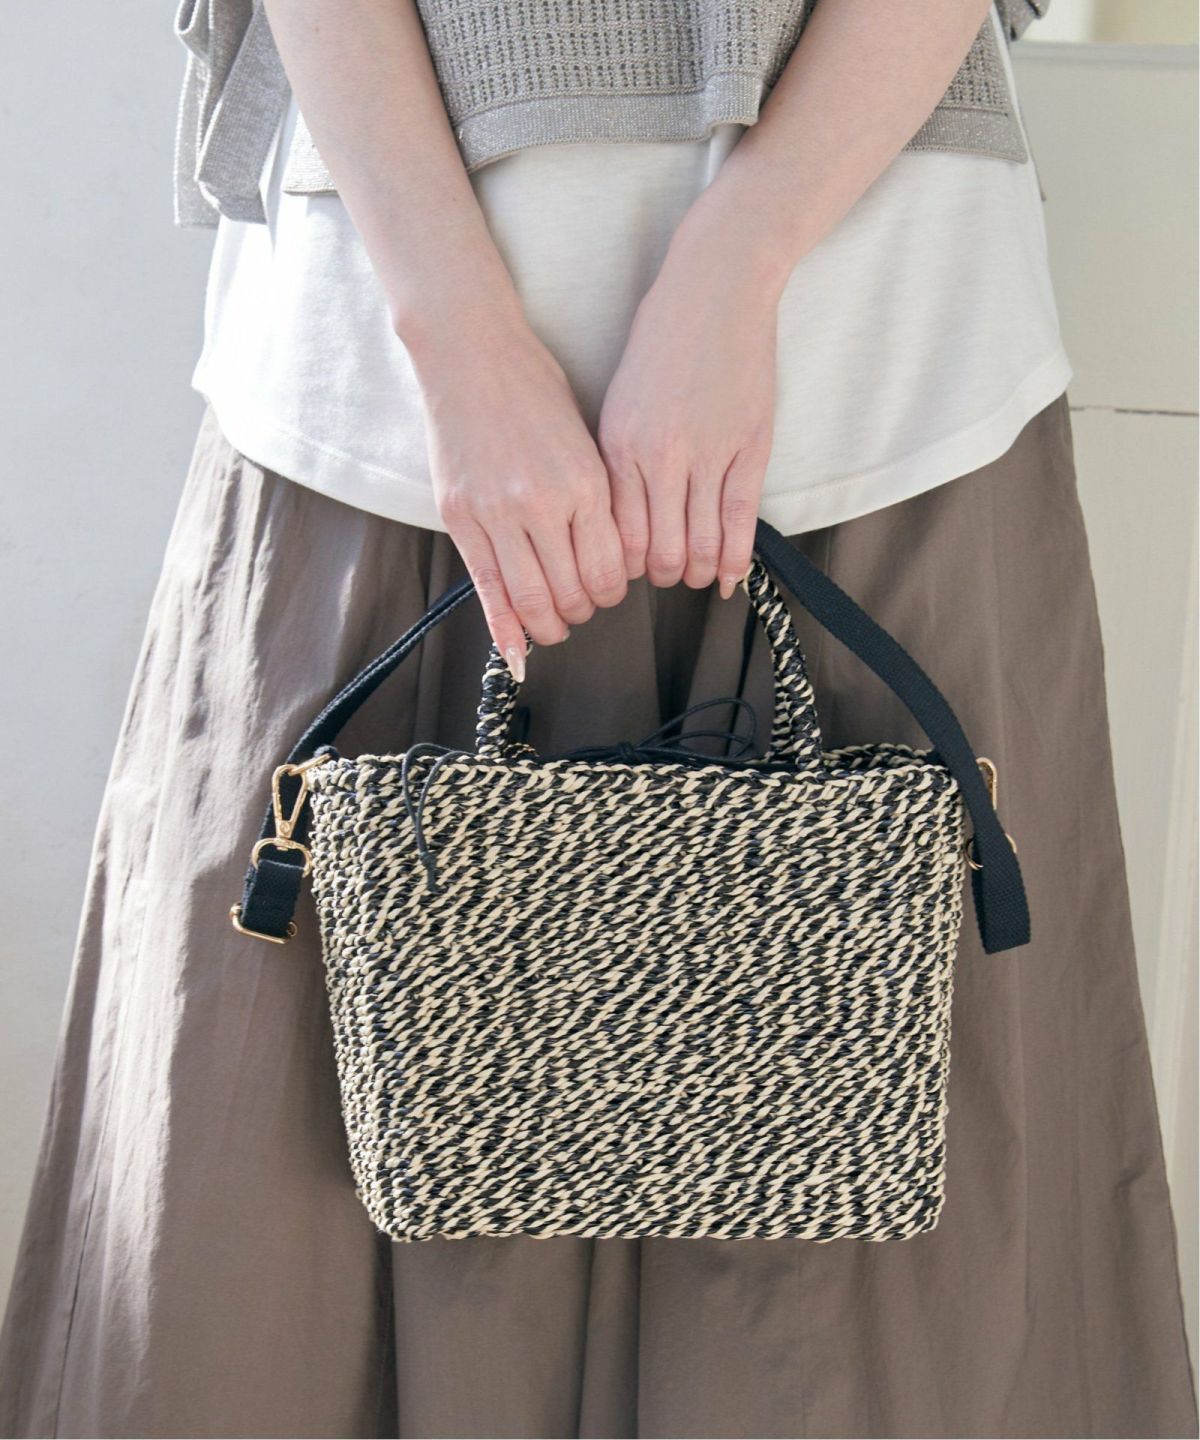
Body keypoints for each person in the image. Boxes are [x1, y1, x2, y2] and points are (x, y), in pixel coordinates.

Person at [1, 1, 1195, 1436]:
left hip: (876, 361)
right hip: (384, 393)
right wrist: (455, 335)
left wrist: (741, 260)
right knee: (271, 1263)